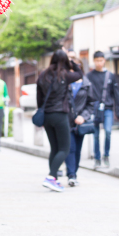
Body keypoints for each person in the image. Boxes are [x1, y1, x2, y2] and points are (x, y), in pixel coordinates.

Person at [37, 50, 83, 192]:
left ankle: (54, 180)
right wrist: (72, 62)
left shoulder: (43, 75)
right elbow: (80, 74)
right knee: (64, 149)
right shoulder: (64, 75)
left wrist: (42, 114)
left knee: (55, 149)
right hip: (60, 115)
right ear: (65, 61)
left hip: (47, 116)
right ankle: (51, 177)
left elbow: (39, 98)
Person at [65, 54, 96, 187]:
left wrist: (83, 116)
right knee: (69, 148)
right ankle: (71, 175)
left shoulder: (87, 83)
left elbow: (91, 103)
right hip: (66, 121)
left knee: (77, 149)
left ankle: (74, 173)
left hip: (80, 122)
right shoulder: (64, 83)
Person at [86, 50, 118, 169]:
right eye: (97, 60)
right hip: (94, 108)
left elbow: (116, 94)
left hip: (108, 108)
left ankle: (106, 155)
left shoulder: (110, 75)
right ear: (94, 61)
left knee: (108, 132)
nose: (99, 63)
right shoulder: (89, 76)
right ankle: (97, 158)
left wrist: (117, 111)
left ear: (104, 60)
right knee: (95, 135)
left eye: (101, 60)